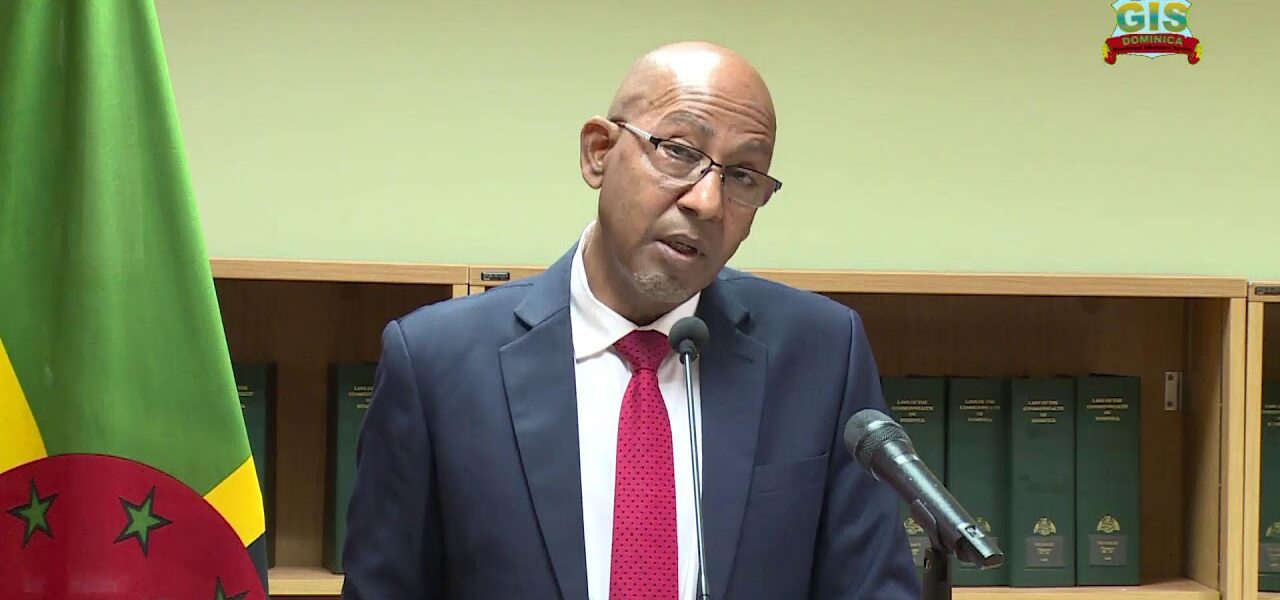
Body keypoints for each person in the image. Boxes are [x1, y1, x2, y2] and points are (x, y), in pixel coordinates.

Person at [341, 41, 920, 600]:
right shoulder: (436, 362)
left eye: (743, 175)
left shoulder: (822, 354)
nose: (706, 202)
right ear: (599, 152)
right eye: (680, 151)